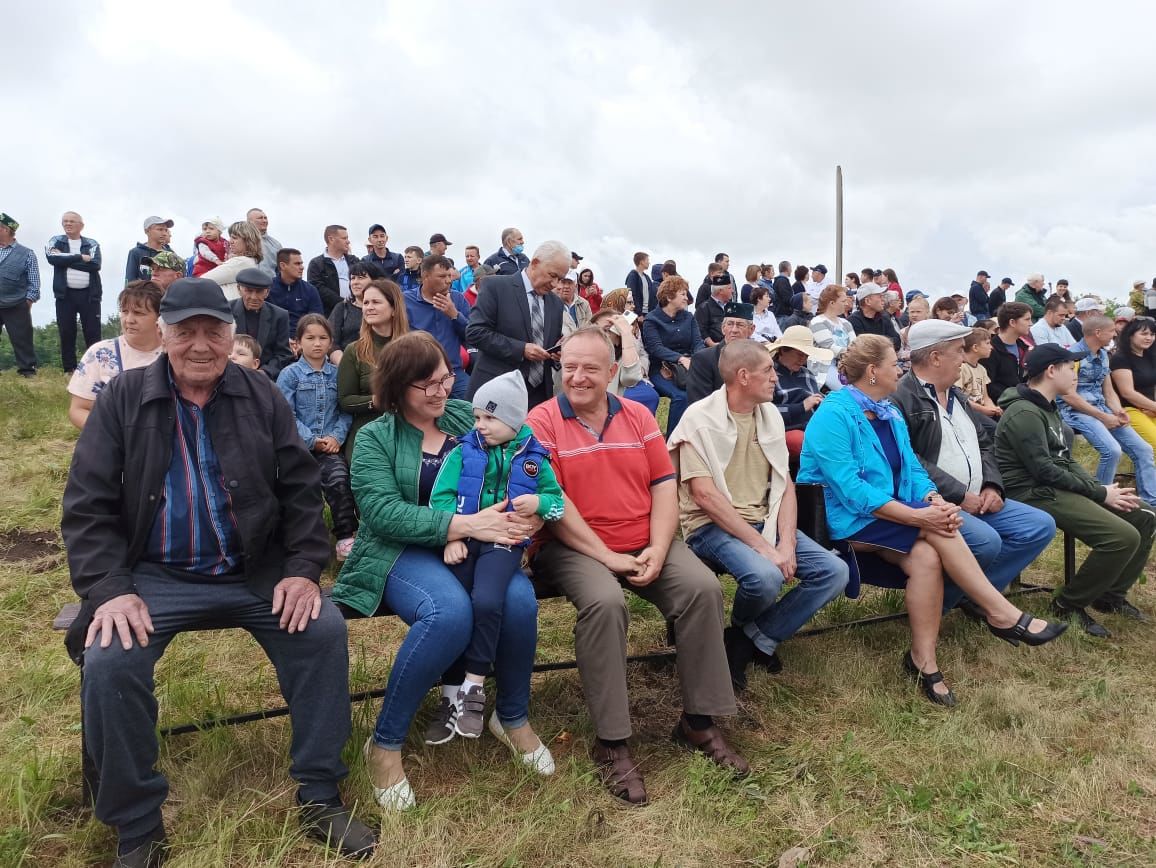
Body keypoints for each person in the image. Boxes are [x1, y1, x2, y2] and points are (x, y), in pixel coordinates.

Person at [61, 277, 377, 863]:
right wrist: (109, 589)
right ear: (163, 335)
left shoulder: (261, 395)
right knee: (109, 661)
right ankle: (136, 823)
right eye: (186, 332)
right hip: (155, 575)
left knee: (323, 632)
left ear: (232, 334)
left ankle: (319, 791)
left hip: (253, 569)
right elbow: (87, 506)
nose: (201, 345)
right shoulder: (123, 400)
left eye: (214, 331)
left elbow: (303, 491)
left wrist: (304, 569)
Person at [528, 326, 748, 807]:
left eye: (590, 368)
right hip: (573, 545)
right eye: (568, 368)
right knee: (605, 603)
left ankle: (698, 721)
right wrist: (607, 557)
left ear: (612, 372)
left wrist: (658, 543)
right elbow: (554, 502)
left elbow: (663, 486)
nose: (578, 377)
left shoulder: (639, 416)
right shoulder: (541, 422)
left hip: (645, 537)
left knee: (702, 589)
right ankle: (611, 742)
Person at [333, 332, 552, 809]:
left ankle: (510, 716)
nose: (440, 391)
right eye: (424, 384)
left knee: (517, 601)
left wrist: (531, 507)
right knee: (448, 612)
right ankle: (385, 744)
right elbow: (381, 513)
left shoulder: (462, 417)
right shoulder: (375, 437)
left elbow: (521, 453)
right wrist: (462, 523)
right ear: (395, 387)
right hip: (400, 550)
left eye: (444, 378)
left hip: (477, 546)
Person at [798, 335, 1066, 706]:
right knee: (937, 528)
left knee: (927, 556)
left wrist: (933, 499)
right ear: (873, 371)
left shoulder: (886, 411)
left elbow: (912, 468)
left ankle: (923, 661)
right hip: (847, 519)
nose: (901, 369)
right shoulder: (835, 413)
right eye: (895, 364)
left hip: (893, 511)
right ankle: (1001, 612)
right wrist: (919, 515)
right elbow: (850, 489)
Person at [669, 338, 848, 690]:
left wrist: (787, 545)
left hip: (761, 520)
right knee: (766, 577)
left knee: (835, 572)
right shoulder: (699, 420)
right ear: (743, 376)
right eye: (768, 371)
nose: (775, 379)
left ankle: (749, 638)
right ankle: (747, 639)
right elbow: (704, 496)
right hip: (711, 526)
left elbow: (784, 486)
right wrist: (765, 549)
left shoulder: (767, 416)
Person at [429, 371, 564, 736]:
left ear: (514, 419)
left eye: (490, 417)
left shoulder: (534, 457)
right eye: (477, 417)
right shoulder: (463, 451)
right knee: (458, 608)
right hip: (465, 539)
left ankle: (474, 684)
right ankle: (450, 693)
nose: (481, 425)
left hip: (503, 542)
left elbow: (558, 505)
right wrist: (451, 535)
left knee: (487, 601)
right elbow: (440, 497)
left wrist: (539, 503)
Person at [892, 320, 1057, 614]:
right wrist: (958, 494)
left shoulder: (955, 394)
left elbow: (984, 444)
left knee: (1038, 526)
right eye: (958, 351)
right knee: (986, 542)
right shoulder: (901, 398)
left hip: (976, 497)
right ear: (935, 357)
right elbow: (909, 459)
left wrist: (992, 484)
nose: (965, 357)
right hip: (934, 503)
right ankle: (935, 607)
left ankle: (972, 597)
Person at [996, 344, 1156, 635]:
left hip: (1052, 486)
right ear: (1051, 371)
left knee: (1144, 514)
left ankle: (1110, 596)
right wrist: (1097, 494)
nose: (1075, 374)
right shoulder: (1024, 412)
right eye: (1070, 368)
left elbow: (1065, 459)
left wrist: (1098, 487)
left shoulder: (1047, 405)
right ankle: (1068, 604)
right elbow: (1043, 470)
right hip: (1032, 493)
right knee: (1121, 537)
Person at [277, 314, 357, 561]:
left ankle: (346, 536)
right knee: (295, 488)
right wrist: (311, 440)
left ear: (331, 342)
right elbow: (286, 414)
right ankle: (297, 541)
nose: (317, 343)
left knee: (339, 481)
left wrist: (336, 438)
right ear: (298, 342)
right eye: (310, 338)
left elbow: (345, 411)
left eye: (323, 338)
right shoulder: (290, 375)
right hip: (298, 447)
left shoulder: (337, 374)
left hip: (331, 448)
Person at [1058, 315, 1156, 506]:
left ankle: (1151, 502)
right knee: (1111, 450)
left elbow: (1108, 389)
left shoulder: (1103, 354)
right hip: (1076, 410)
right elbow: (1068, 396)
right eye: (1111, 331)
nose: (1115, 334)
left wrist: (1118, 411)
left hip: (1101, 408)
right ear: (1098, 332)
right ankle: (1102, 501)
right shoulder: (1072, 357)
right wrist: (1103, 417)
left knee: (1144, 449)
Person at [466, 240, 568, 407]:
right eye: (553, 275)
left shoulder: (556, 304)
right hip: (496, 392)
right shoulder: (496, 287)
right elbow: (475, 332)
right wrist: (521, 349)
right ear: (535, 263)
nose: (556, 284)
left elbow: (550, 342)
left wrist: (558, 352)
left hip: (538, 397)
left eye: (561, 279)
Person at [68, 281, 163, 429]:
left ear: (159, 317)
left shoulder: (174, 354)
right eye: (125, 311)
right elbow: (78, 409)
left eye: (138, 313)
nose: (129, 320)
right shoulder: (100, 353)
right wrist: (111, 436)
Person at [338, 279, 409, 461]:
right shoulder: (354, 350)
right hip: (368, 432)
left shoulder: (413, 348)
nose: (368, 307)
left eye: (376, 302)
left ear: (394, 309)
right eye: (365, 302)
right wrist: (376, 401)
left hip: (407, 429)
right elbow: (345, 400)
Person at [642, 276, 705, 433]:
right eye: (682, 294)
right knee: (681, 397)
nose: (686, 298)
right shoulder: (652, 320)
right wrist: (680, 359)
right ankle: (672, 443)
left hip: (689, 366)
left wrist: (696, 359)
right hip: (661, 369)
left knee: (707, 391)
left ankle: (697, 435)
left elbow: (698, 342)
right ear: (669, 297)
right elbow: (655, 348)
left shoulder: (689, 317)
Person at [405, 254, 472, 399]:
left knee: (472, 405)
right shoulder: (405, 301)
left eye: (449, 275)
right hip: (420, 373)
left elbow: (471, 336)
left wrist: (454, 315)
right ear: (425, 276)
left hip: (453, 372)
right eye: (442, 276)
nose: (448, 281)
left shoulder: (458, 299)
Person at [45, 211, 103, 373]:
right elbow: (52, 258)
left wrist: (65, 260)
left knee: (92, 332)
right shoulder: (55, 240)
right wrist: (79, 257)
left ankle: (94, 368)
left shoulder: (92, 243)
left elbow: (95, 264)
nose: (68, 224)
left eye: (72, 221)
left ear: (81, 225)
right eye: (65, 221)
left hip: (89, 294)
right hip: (65, 295)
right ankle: (69, 369)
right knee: (66, 331)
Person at [766, 326, 831, 453]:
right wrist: (801, 407)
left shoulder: (807, 374)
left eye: (806, 355)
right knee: (802, 442)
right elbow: (764, 411)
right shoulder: (768, 373)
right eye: (799, 354)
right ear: (783, 351)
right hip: (784, 429)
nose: (803, 359)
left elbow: (816, 401)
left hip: (813, 426)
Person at [589, 307, 659, 413]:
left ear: (618, 335)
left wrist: (626, 334)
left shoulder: (624, 350)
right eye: (596, 330)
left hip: (632, 383)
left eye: (607, 330)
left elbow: (631, 376)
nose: (601, 335)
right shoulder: (585, 355)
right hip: (594, 411)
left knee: (650, 395)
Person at [686, 301, 756, 404]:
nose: (734, 330)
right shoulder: (703, 360)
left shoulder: (757, 359)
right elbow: (699, 402)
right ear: (723, 328)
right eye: (730, 324)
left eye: (740, 325)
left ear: (751, 329)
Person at [229, 267, 293, 380]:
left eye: (259, 291)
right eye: (248, 290)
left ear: (267, 292)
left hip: (265, 379)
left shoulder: (279, 315)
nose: (254, 297)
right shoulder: (226, 311)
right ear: (239, 289)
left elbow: (283, 354)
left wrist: (264, 372)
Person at [1110, 317, 1156, 451]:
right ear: (1130, 335)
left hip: (1151, 408)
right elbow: (1127, 393)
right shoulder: (1120, 358)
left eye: (1152, 334)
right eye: (1144, 334)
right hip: (1130, 409)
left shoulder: (1151, 356)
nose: (1149, 338)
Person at [200, 221, 265, 301]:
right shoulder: (249, 262)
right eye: (230, 237)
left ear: (248, 241)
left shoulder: (241, 262)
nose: (230, 241)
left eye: (234, 238)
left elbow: (202, 281)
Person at [981, 301, 1032, 402]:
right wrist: (1016, 397)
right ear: (1012, 322)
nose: (1031, 324)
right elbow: (988, 385)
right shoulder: (990, 349)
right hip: (1002, 406)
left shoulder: (1022, 347)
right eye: (1027, 319)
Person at [955, 326, 1002, 435]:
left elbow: (985, 397)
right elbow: (960, 398)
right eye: (987, 343)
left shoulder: (981, 369)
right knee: (995, 429)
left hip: (981, 410)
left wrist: (993, 409)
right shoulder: (961, 368)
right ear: (975, 347)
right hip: (968, 411)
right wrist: (983, 409)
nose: (991, 347)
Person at [269, 248, 325, 335]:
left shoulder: (310, 290)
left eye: (301, 263)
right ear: (283, 266)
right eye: (297, 264)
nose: (302, 267)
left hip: (302, 339)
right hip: (273, 339)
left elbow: (317, 321)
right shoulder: (267, 288)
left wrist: (300, 340)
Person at [307, 225, 360, 314]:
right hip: (330, 315)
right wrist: (343, 303)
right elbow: (317, 288)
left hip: (356, 312)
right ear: (331, 239)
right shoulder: (316, 264)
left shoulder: (354, 261)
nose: (348, 241)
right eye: (344, 238)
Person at [328, 261, 371, 364]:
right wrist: (344, 365)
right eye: (352, 278)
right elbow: (331, 342)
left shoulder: (384, 309)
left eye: (361, 278)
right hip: (346, 363)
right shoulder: (342, 308)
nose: (355, 282)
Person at [850, 283, 901, 351]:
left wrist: (875, 341)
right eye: (880, 296)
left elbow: (897, 342)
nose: (883, 300)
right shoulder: (854, 320)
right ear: (867, 301)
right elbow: (864, 347)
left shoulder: (884, 318)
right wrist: (886, 340)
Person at [124, 216, 174, 285]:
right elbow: (130, 281)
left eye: (166, 230)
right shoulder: (135, 253)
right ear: (147, 231)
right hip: (143, 295)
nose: (164, 233)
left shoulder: (170, 254)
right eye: (160, 229)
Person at [696, 272, 733, 346]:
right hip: (715, 348)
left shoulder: (732, 307)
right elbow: (701, 330)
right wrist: (712, 344)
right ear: (720, 291)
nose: (732, 291)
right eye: (729, 288)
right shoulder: (704, 308)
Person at [246, 208, 282, 278]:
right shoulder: (240, 241)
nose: (264, 221)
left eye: (265, 218)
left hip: (269, 286)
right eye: (260, 218)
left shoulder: (276, 244)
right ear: (249, 222)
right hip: (246, 286)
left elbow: (281, 269)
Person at [557, 269, 592, 335]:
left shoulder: (584, 303)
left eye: (570, 283)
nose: (566, 286)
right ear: (559, 284)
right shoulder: (552, 303)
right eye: (563, 282)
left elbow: (590, 326)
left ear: (575, 286)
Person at [625, 251, 655, 316]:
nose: (649, 262)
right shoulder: (633, 276)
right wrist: (638, 313)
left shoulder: (647, 277)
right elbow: (632, 295)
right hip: (638, 314)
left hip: (648, 313)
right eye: (647, 260)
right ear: (641, 262)